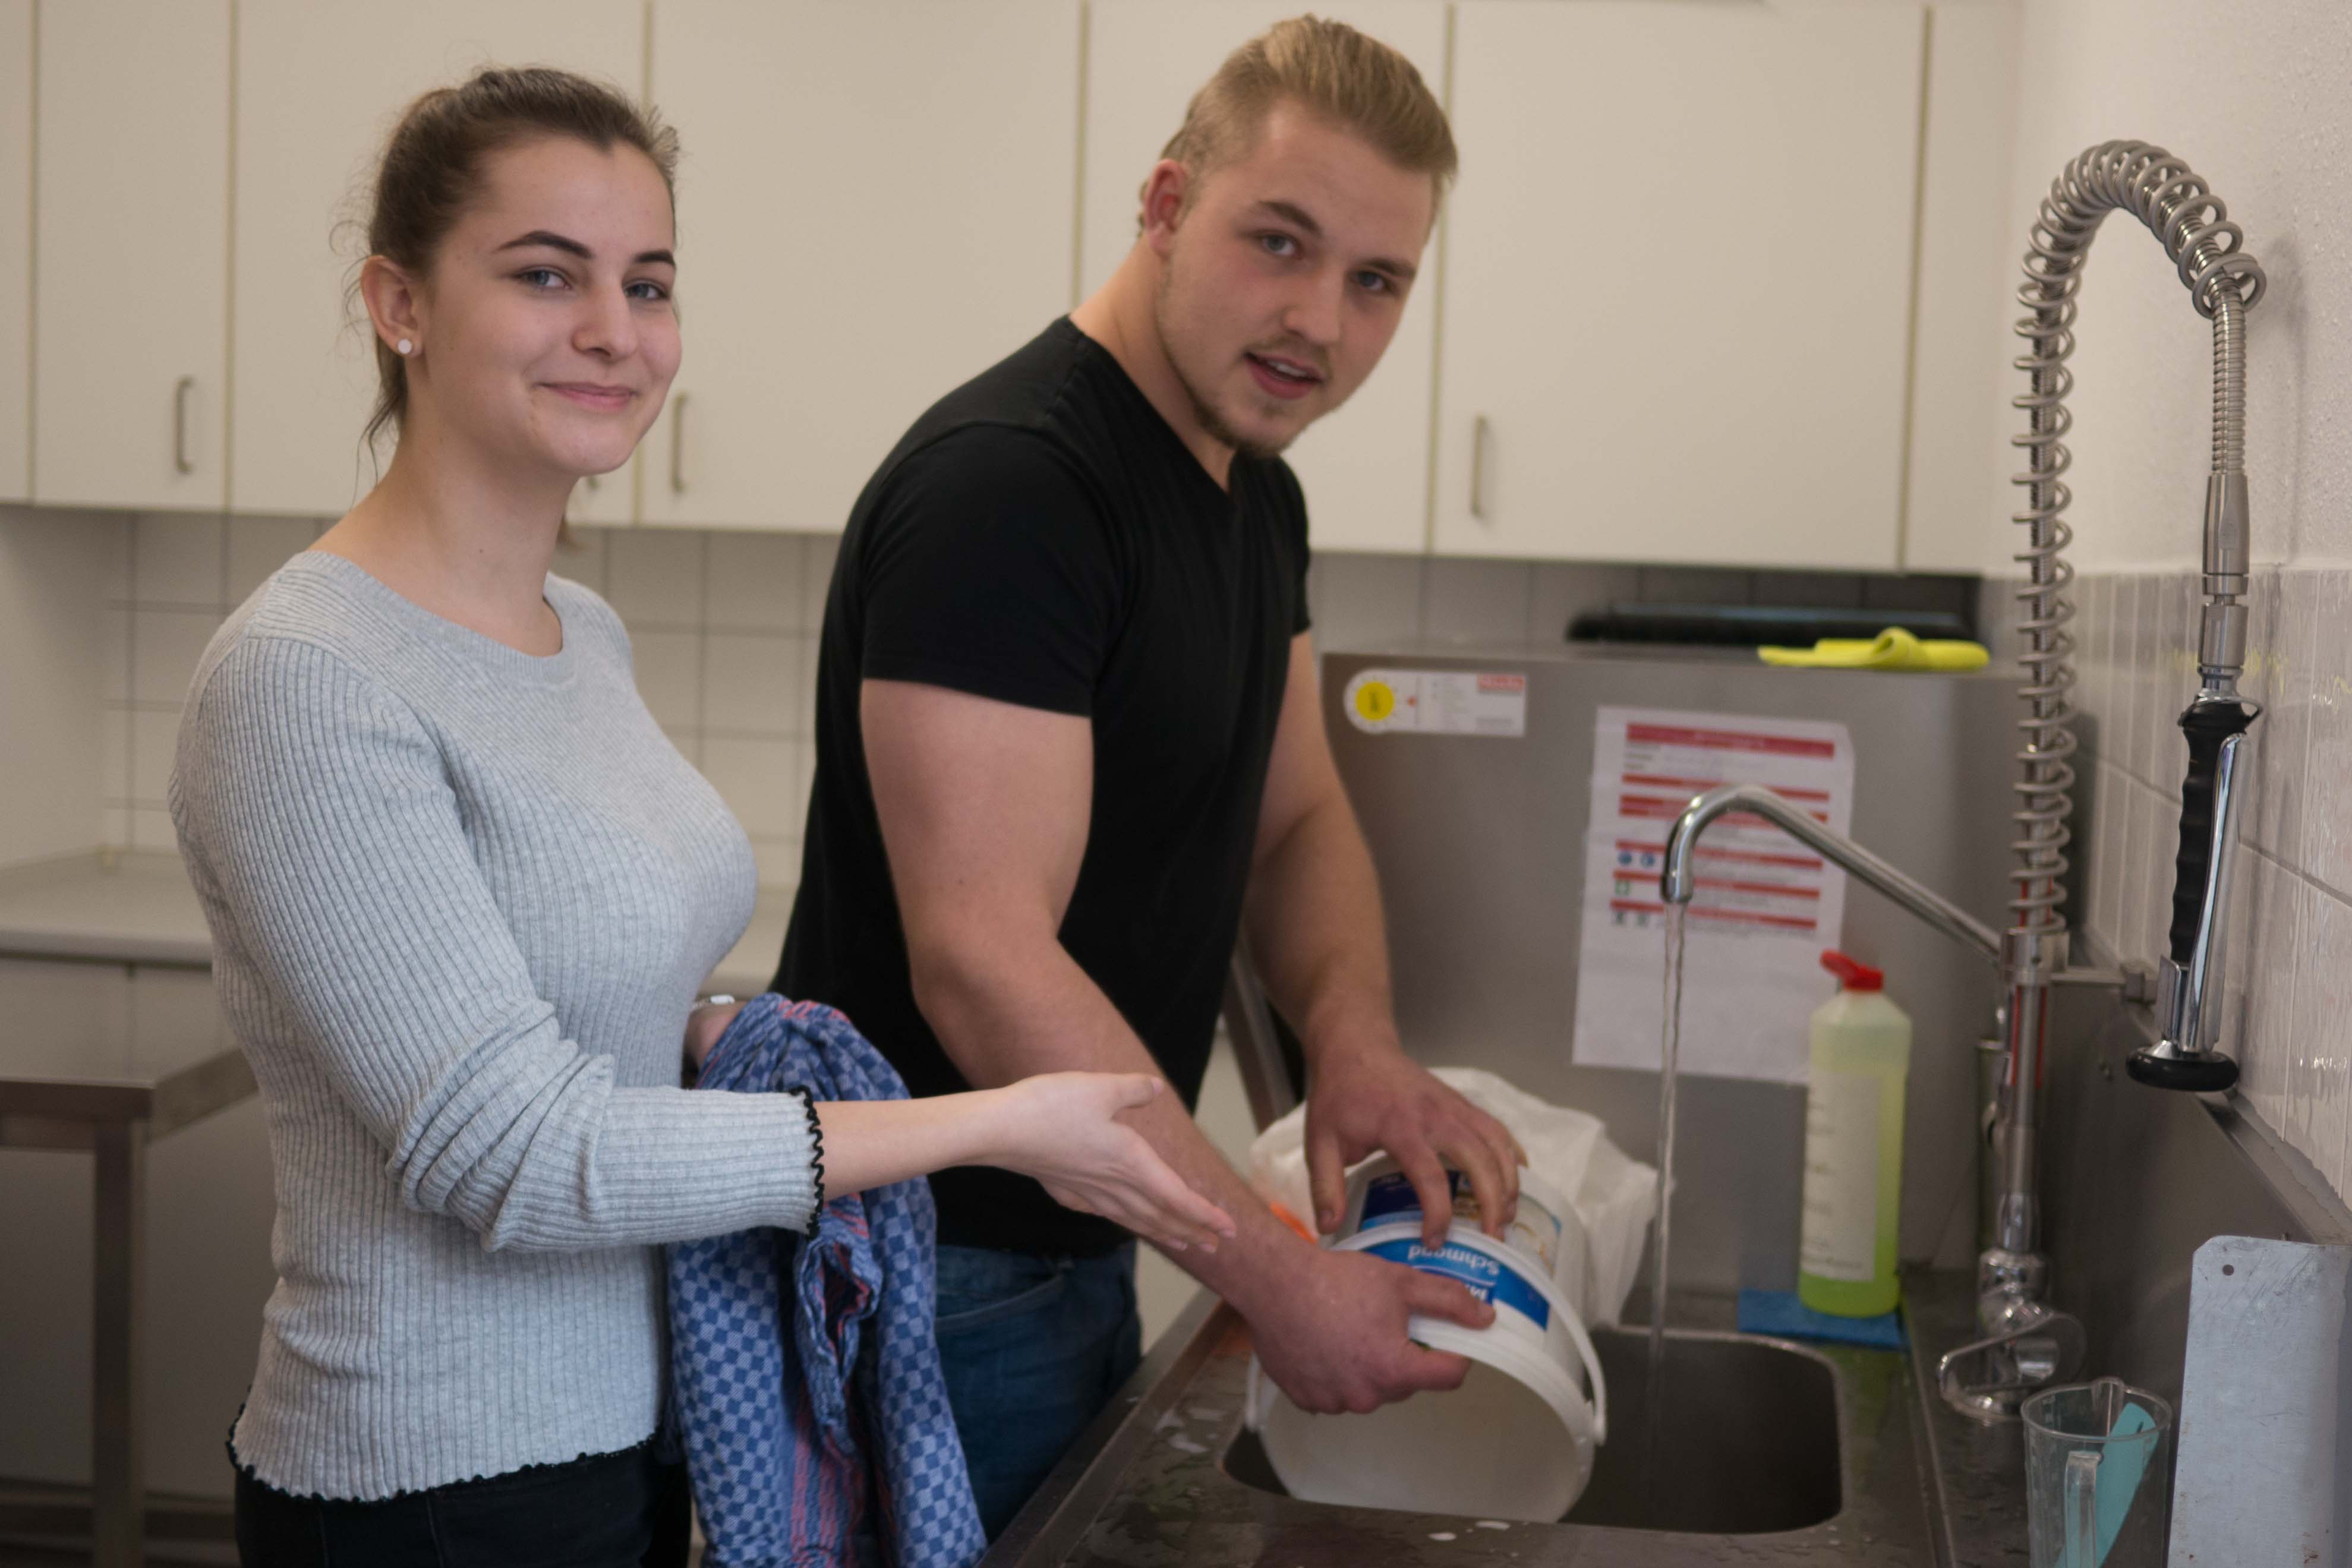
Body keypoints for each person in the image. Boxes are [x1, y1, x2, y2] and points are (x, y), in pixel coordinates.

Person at [171, 67, 1230, 1568]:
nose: (615, 329)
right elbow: (514, 1162)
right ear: (398, 302)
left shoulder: (575, 632)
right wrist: (992, 1122)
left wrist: (715, 1030)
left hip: (632, 1444)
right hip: (430, 1488)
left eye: (647, 283)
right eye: (546, 274)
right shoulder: (303, 680)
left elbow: (567, 993)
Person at [776, 17, 1523, 1535]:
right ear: (1166, 205)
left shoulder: (1256, 496)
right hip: (930, 1278)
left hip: (1075, 1250)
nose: (1317, 319)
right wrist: (1273, 1269)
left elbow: (1293, 816)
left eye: (1375, 281)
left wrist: (1355, 1041)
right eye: (1278, 241)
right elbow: (982, 960)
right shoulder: (1013, 491)